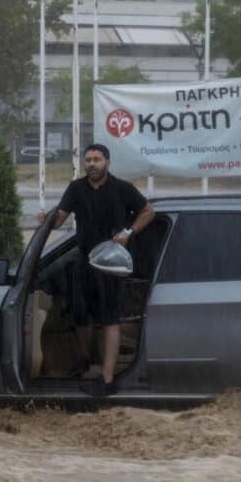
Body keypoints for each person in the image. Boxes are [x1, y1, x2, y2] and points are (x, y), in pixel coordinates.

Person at [38, 143, 154, 397]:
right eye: (88, 159)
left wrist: (128, 233)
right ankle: (84, 363)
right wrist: (47, 219)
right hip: (84, 262)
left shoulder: (123, 189)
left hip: (111, 265)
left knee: (110, 320)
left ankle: (107, 379)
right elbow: (60, 217)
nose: (91, 163)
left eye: (97, 159)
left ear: (107, 162)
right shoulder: (76, 188)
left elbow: (148, 212)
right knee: (81, 317)